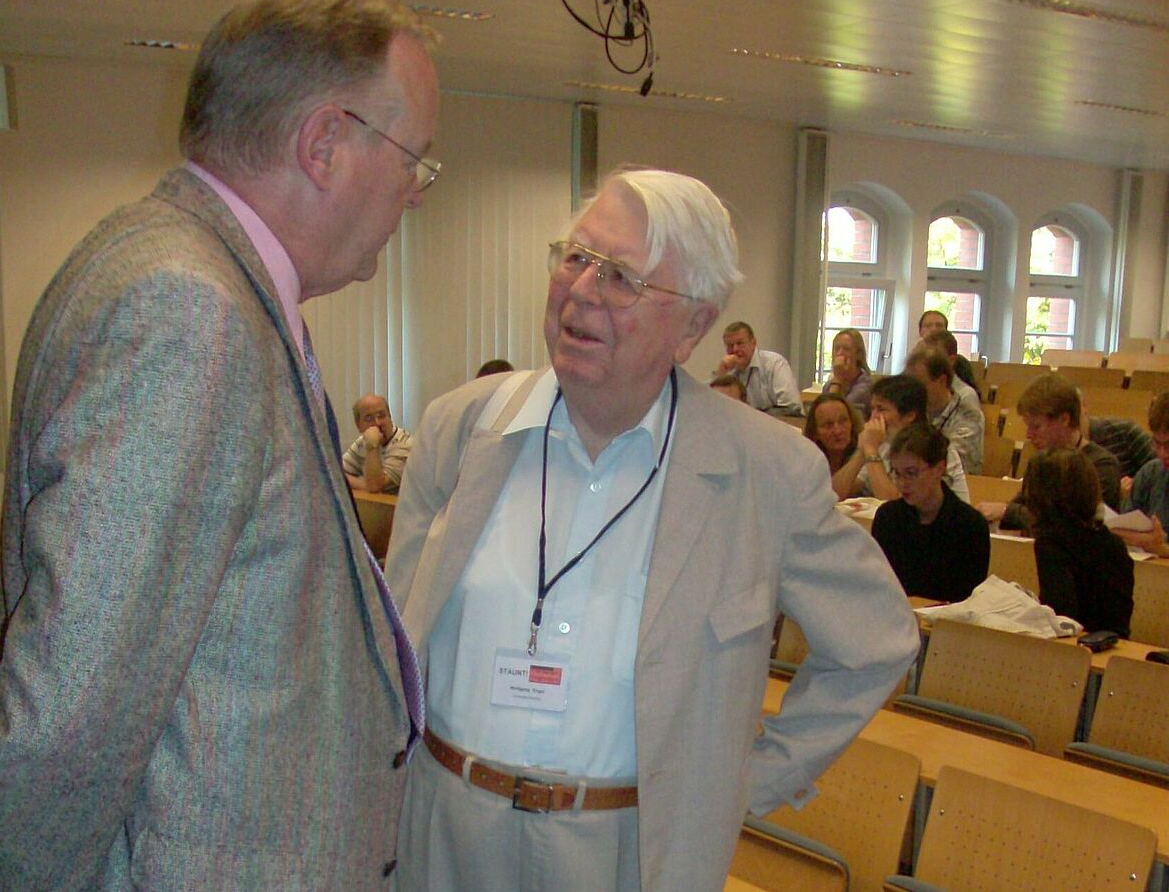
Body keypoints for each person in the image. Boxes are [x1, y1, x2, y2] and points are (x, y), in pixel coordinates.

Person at [0, 0, 438, 888]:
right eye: (415, 159)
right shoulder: (190, 311)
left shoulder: (170, 265)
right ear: (324, 143)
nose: (416, 190)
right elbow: (68, 713)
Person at [385, 168, 918, 892]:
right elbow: (393, 640)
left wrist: (748, 780)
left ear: (693, 326)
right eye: (575, 257)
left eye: (622, 278)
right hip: (444, 826)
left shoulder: (763, 471)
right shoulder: (462, 428)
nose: (580, 290)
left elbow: (875, 641)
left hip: (630, 850)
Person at [977, 374, 1121, 530]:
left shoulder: (1102, 465)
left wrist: (1006, 511)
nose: (1029, 435)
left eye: (1036, 426)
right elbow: (1022, 506)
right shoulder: (1040, 462)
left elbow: (1076, 523)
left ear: (1064, 419)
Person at [871, 422, 990, 603]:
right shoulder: (888, 518)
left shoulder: (970, 525)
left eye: (911, 473)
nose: (902, 483)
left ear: (939, 469)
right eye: (897, 473)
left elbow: (966, 599)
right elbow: (879, 584)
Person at [1024, 449, 1134, 636]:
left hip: (1078, 649)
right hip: (1114, 643)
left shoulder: (1051, 545)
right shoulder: (1114, 542)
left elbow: (1061, 618)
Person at [833, 374, 970, 503]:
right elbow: (834, 494)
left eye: (881, 409)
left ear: (909, 415)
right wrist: (862, 452)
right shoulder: (882, 444)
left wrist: (870, 450)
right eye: (872, 409)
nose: (873, 417)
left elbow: (894, 504)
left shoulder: (934, 448)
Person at [904, 347, 984, 474]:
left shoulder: (968, 415)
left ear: (942, 380)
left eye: (920, 384)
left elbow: (952, 463)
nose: (913, 391)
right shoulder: (912, 412)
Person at [1115, 391, 1169, 557]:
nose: (1162, 454)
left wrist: (1163, 550)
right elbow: (1120, 530)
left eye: (1168, 445)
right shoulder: (1151, 472)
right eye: (1156, 443)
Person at [714, 321, 804, 415]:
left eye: (740, 343)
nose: (735, 350)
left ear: (753, 343)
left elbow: (791, 408)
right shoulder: (728, 371)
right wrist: (719, 375)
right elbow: (711, 407)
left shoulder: (774, 364)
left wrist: (754, 416)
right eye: (730, 345)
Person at [343, 392, 414, 493]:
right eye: (368, 418)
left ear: (390, 417)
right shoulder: (362, 442)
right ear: (358, 425)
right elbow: (335, 474)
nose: (377, 423)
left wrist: (372, 446)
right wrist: (365, 486)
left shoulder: (405, 444)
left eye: (381, 416)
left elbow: (375, 487)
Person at [804, 392, 862, 474]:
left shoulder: (864, 452)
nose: (837, 431)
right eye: (828, 425)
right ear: (815, 432)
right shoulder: (807, 460)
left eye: (843, 421)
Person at [821, 329, 873, 417]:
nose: (839, 353)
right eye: (836, 349)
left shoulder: (865, 386)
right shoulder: (829, 385)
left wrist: (838, 377)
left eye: (846, 349)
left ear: (858, 354)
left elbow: (833, 413)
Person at [924, 328, 982, 405]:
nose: (926, 362)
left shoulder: (966, 395)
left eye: (934, 358)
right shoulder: (921, 388)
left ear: (951, 360)